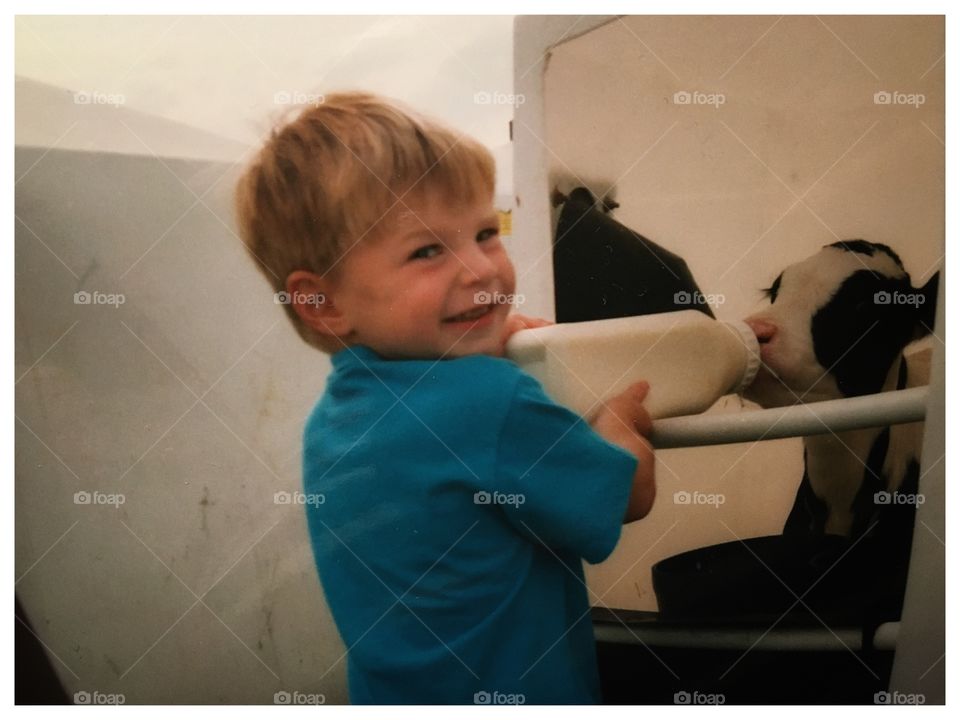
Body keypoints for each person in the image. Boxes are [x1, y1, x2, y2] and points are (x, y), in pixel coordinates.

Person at [234, 92, 655, 704]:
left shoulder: (336, 420)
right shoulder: (489, 402)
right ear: (323, 303)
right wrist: (621, 421)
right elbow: (629, 495)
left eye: (487, 233)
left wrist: (484, 338)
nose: (480, 270)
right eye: (428, 250)